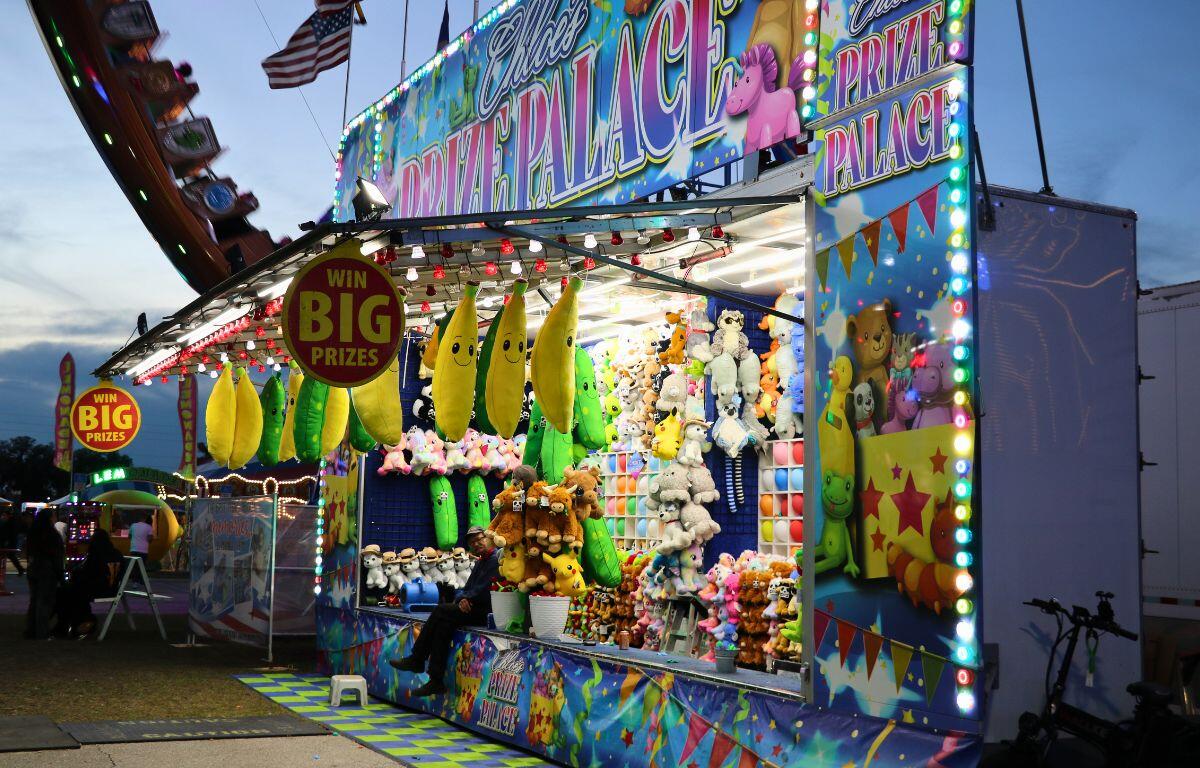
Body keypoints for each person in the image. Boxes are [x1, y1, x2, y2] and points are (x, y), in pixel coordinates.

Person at [389, 526, 500, 696]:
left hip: (486, 612)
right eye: (472, 543)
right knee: (443, 626)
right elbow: (467, 588)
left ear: (489, 538)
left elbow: (484, 590)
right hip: (471, 606)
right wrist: (462, 598)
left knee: (441, 610)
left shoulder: (495, 559)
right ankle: (435, 680)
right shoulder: (480, 561)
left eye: (480, 539)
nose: (477, 544)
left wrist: (466, 598)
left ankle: (417, 659)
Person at [54, 529, 123, 637]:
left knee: (64, 593)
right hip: (111, 589)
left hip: (96, 589)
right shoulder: (117, 554)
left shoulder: (96, 554)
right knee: (69, 593)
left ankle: (69, 624)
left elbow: (86, 573)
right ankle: (77, 622)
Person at [24, 508, 63, 639]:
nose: (55, 518)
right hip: (47, 571)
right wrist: (60, 575)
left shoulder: (33, 533)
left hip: (33, 568)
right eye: (54, 516)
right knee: (45, 602)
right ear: (50, 518)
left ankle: (31, 630)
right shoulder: (52, 535)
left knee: (34, 601)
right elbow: (56, 557)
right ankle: (42, 632)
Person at [126, 512, 154, 583]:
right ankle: (141, 580)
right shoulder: (149, 527)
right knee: (142, 566)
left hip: (134, 549)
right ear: (145, 519)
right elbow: (149, 539)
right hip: (143, 550)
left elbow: (129, 536)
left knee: (134, 566)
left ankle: (134, 581)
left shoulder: (133, 525)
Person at [0, 508, 25, 576]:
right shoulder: (9, 522)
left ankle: (20, 569)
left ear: (8, 516)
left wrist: (6, 541)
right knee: (11, 556)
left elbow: (8, 534)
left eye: (4, 515)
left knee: (10, 556)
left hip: (8, 543)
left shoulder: (9, 523)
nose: (3, 517)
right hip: (8, 543)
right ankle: (20, 569)